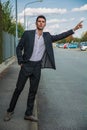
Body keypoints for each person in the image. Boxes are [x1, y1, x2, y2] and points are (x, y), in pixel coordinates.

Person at [4, 15, 83, 122]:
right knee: (18, 89)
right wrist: (21, 61)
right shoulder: (28, 34)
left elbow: (60, 36)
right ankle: (10, 111)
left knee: (33, 91)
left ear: (45, 24)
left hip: (37, 67)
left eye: (43, 21)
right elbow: (19, 48)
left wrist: (74, 29)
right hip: (26, 65)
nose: (41, 23)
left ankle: (28, 114)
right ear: (36, 23)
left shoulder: (47, 36)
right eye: (39, 21)